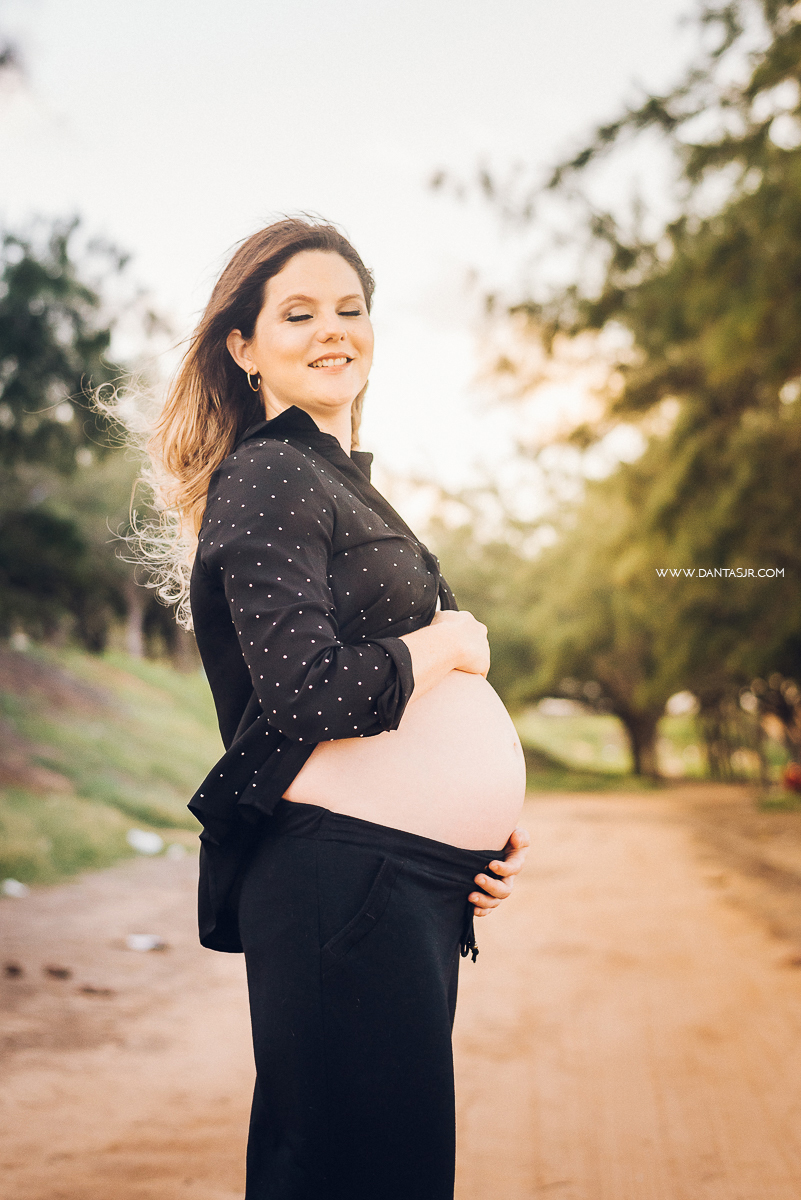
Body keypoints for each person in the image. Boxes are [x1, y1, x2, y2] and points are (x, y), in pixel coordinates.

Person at [147, 216, 530, 1200]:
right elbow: (307, 688)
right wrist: (448, 642)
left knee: (380, 1173)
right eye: (299, 311)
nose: (333, 329)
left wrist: (463, 845)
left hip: (390, 883)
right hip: (337, 881)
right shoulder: (271, 471)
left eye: (350, 309)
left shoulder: (334, 483)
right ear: (244, 347)